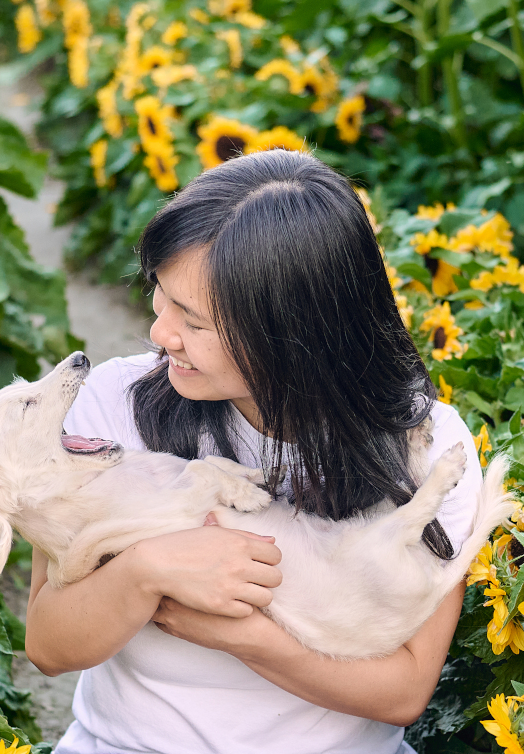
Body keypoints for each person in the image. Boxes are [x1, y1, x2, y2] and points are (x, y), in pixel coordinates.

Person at [27, 149, 482, 754]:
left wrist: (246, 636)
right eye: (161, 298)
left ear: (297, 332)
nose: (162, 335)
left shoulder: (425, 452)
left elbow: (403, 692)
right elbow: (49, 645)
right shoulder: (112, 408)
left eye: (195, 322)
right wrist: (146, 571)